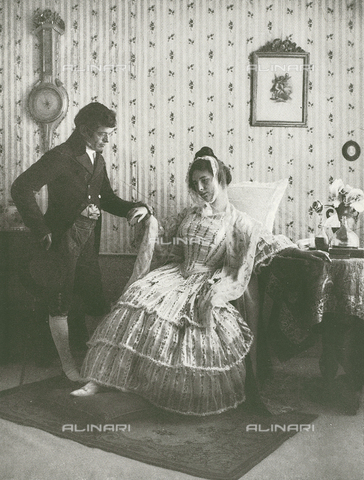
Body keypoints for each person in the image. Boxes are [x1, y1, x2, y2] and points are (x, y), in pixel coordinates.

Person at [71, 146, 329, 415]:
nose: (201, 188)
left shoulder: (238, 222)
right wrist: (146, 216)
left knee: (193, 320)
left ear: (220, 178)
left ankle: (161, 390)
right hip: (175, 273)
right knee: (136, 296)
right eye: (196, 183)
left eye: (205, 180)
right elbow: (161, 232)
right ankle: (99, 380)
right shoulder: (188, 213)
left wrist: (304, 252)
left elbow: (269, 243)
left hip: (206, 278)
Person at [11, 102, 153, 382]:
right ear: (85, 131)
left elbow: (108, 199)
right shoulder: (60, 156)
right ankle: (69, 368)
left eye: (110, 133)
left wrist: (135, 208)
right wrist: (41, 230)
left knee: (96, 302)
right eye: (103, 134)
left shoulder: (97, 159)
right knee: (59, 303)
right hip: (59, 244)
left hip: (87, 245)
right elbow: (21, 188)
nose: (108, 140)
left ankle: (95, 361)